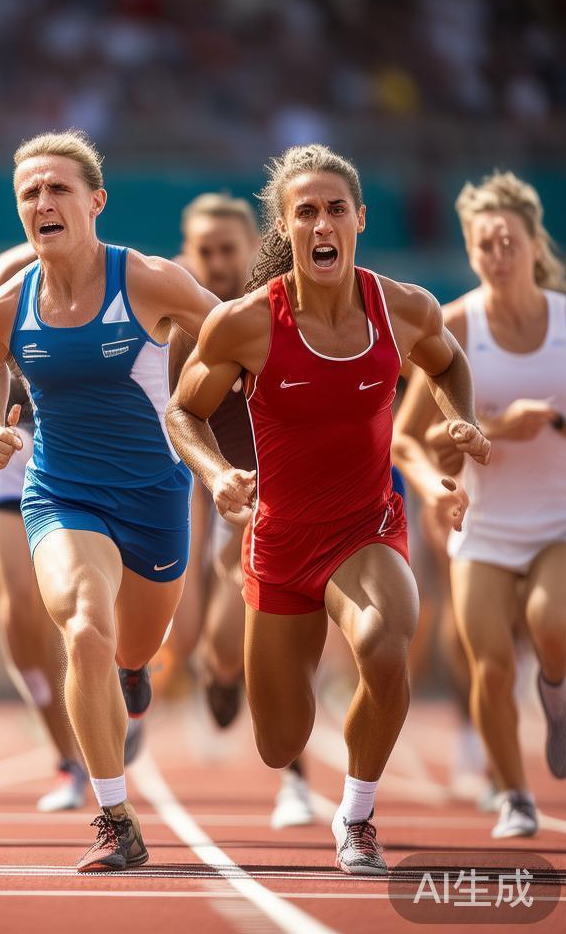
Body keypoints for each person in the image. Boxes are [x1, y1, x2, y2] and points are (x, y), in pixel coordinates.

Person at [166, 143, 490, 875]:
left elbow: (447, 361)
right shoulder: (246, 325)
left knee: (386, 644)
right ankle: (294, 709)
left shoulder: (403, 308)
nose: (322, 224)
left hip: (365, 529)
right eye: (306, 211)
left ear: (359, 219)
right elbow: (183, 412)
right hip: (279, 543)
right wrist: (216, 474)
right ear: (286, 228)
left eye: (336, 209)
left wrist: (461, 418)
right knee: (279, 742)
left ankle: (357, 813)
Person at [0, 130, 218, 871]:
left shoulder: (149, 281)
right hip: (61, 492)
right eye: (29, 193)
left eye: (58, 189)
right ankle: (115, 816)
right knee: (82, 628)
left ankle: (135, 669)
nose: (42, 202)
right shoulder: (4, 305)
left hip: (155, 497)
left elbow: (235, 335)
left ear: (95, 201)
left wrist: (217, 416)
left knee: (132, 649)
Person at [391, 171, 566, 839]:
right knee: (489, 664)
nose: (497, 255)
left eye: (508, 242)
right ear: (469, 251)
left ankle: (557, 692)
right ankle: (515, 796)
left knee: (552, 625)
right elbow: (407, 436)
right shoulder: (457, 325)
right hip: (487, 524)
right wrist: (453, 466)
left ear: (533, 244)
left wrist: (555, 425)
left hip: (560, 519)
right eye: (483, 245)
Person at [171, 191, 315, 829]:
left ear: (254, 249)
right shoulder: (182, 328)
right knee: (209, 642)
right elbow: (179, 426)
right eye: (205, 250)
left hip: (280, 498)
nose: (218, 262)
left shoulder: (283, 314)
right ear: (189, 253)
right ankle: (214, 671)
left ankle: (296, 780)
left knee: (270, 638)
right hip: (210, 488)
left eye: (229, 249)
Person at [0, 242, 91, 810]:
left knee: (76, 606)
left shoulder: (91, 282)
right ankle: (65, 754)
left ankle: (105, 697)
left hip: (77, 446)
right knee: (21, 603)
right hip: (14, 449)